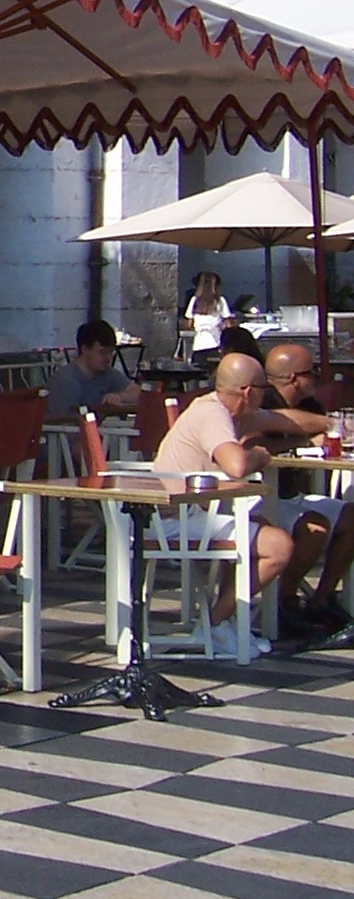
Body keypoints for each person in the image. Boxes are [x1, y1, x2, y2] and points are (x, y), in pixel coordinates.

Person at [153, 352, 291, 658]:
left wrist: (325, 424)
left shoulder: (218, 409)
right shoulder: (213, 413)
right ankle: (213, 623)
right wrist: (259, 455)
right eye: (263, 390)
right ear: (248, 391)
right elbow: (237, 466)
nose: (265, 396)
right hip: (175, 518)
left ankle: (224, 621)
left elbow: (281, 419)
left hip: (190, 511)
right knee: (279, 547)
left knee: (259, 529)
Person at [240, 343, 354, 645]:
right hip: (257, 496)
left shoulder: (311, 406)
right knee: (315, 526)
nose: (317, 377)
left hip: (291, 496)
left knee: (351, 516)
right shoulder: (261, 400)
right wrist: (304, 441)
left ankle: (322, 598)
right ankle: (283, 603)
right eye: (311, 372)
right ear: (293, 378)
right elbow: (251, 444)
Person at [44, 320, 143, 423]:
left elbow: (139, 394)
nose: (108, 358)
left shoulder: (107, 373)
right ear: (85, 350)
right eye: (102, 352)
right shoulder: (64, 382)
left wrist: (120, 397)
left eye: (111, 352)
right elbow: (63, 425)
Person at [185, 270, 231, 365]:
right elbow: (228, 323)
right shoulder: (220, 301)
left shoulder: (194, 300)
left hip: (198, 345)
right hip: (215, 343)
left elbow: (189, 323)